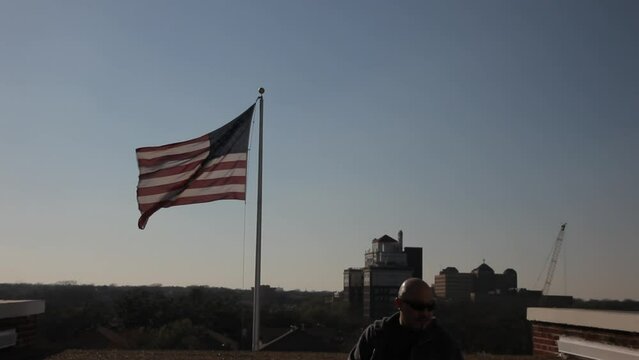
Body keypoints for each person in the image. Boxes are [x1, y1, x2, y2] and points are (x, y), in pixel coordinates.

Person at [348, 278, 463, 360]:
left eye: (430, 307)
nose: (425, 313)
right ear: (399, 304)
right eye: (418, 306)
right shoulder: (377, 335)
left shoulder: (444, 343)